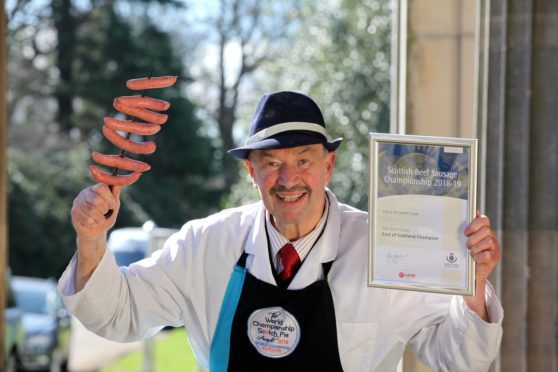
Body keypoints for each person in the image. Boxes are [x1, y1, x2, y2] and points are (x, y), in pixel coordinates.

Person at [59, 91, 503, 371]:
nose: (288, 179)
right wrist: (91, 238)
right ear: (251, 173)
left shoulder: (381, 248)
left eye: (304, 160)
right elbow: (119, 316)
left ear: (328, 165)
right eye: (271, 163)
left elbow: (460, 358)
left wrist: (473, 285)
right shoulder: (205, 243)